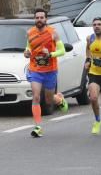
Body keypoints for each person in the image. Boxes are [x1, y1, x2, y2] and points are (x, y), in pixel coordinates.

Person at [23, 8, 69, 138]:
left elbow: (62, 50)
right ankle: (38, 127)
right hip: (35, 69)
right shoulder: (30, 33)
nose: (39, 20)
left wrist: (51, 54)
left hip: (50, 70)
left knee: (49, 100)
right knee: (36, 97)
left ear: (46, 19)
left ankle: (59, 99)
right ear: (35, 19)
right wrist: (26, 52)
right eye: (37, 18)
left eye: (41, 17)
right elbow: (28, 47)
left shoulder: (53, 33)